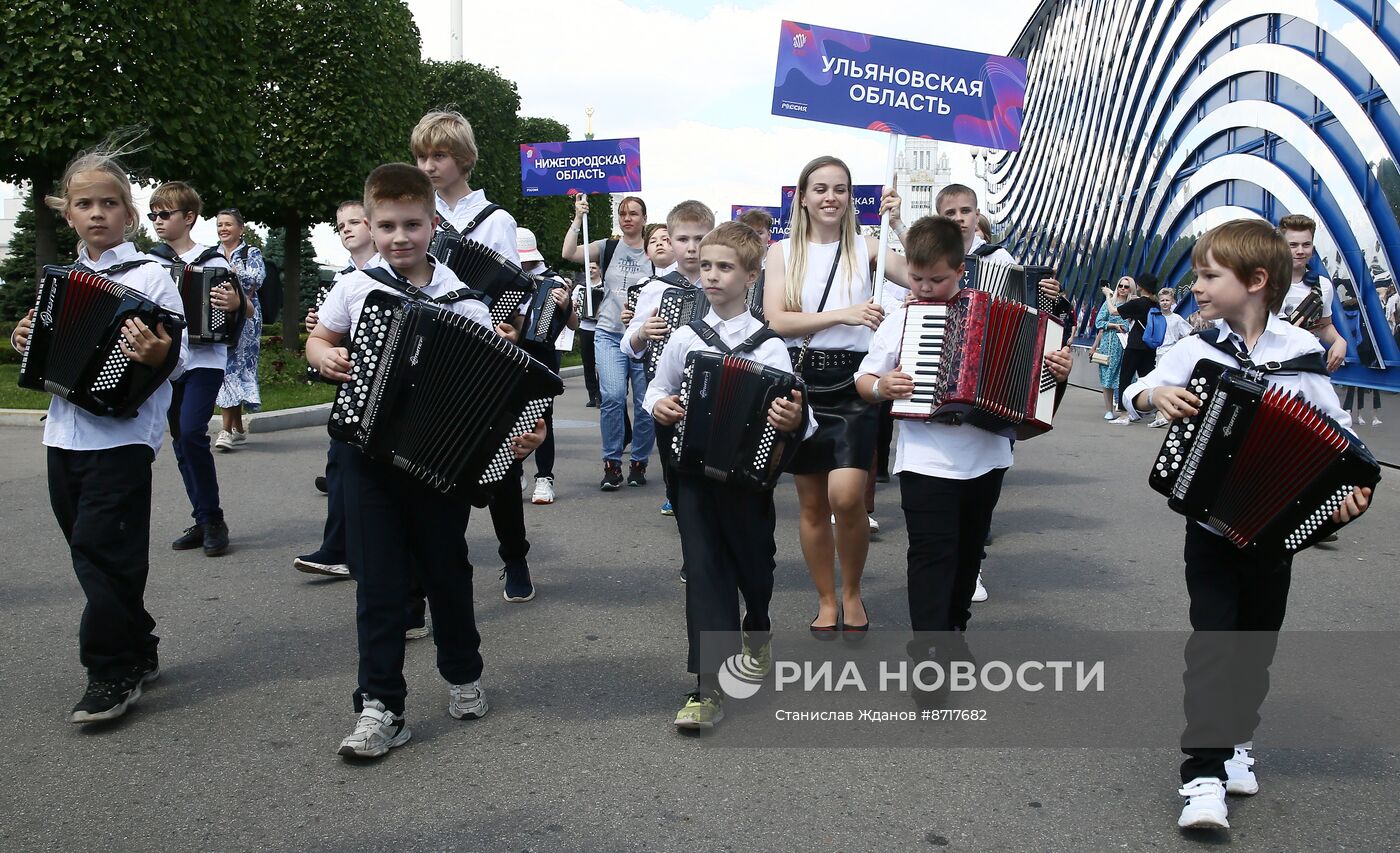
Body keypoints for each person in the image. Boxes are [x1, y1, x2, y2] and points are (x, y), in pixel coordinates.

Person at [1121, 218, 1371, 831]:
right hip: (1208, 527)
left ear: (1257, 281)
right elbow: (1136, 390)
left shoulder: (1302, 357)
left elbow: (1344, 441)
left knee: (1255, 645)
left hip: (1273, 536)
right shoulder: (1194, 348)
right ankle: (1201, 775)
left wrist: (1352, 492)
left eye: (1210, 275)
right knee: (1213, 641)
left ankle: (1237, 741)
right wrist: (1156, 399)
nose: (1197, 286)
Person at [306, 163, 544, 759]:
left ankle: (463, 673)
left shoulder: (465, 302)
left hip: (438, 469)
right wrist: (322, 357)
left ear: (433, 224)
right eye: (386, 226)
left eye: (412, 224)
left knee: (446, 572)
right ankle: (379, 705)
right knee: (379, 585)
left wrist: (522, 432)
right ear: (370, 225)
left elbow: (494, 389)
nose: (399, 237)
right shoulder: (357, 286)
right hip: (366, 459)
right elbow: (320, 339)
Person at [11, 144, 187, 724]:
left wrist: (157, 352)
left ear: (129, 214)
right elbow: (46, 354)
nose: (97, 213)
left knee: (101, 552)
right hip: (63, 436)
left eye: (109, 203)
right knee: (89, 550)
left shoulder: (154, 277)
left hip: (123, 438)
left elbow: (174, 355)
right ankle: (138, 641)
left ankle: (111, 671)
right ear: (69, 215)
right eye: (85, 204)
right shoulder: (64, 279)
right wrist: (26, 339)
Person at [855, 216, 1071, 689]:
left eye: (938, 279)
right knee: (931, 554)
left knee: (969, 554)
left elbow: (1039, 388)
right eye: (917, 279)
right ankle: (927, 653)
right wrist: (882, 387)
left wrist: (1056, 368)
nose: (926, 288)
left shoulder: (1006, 312)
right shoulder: (901, 321)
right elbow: (865, 380)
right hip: (924, 458)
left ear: (960, 271)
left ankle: (954, 631)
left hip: (987, 455)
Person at [644, 222, 812, 729]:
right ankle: (706, 687)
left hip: (746, 480)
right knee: (704, 571)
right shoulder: (684, 337)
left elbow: (803, 416)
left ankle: (756, 624)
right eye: (707, 266)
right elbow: (654, 390)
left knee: (754, 568)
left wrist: (792, 419)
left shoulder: (769, 345)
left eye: (725, 267)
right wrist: (664, 407)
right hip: (692, 476)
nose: (712, 275)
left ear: (751, 276)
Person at [762, 155, 911, 634]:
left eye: (840, 189)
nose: (830, 197)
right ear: (802, 197)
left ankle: (853, 590)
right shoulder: (782, 252)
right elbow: (778, 322)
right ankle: (828, 599)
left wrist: (898, 224)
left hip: (853, 383)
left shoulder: (868, 246)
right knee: (810, 504)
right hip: (802, 382)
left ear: (850, 198)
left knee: (846, 497)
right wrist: (844, 315)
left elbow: (921, 274)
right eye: (821, 188)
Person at [412, 109, 537, 604]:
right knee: (434, 469)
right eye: (421, 155)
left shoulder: (496, 219)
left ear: (463, 159)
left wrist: (508, 322)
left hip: (483, 351)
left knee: (499, 465)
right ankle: (435, 574)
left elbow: (512, 287)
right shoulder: (417, 216)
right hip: (429, 355)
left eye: (438, 155)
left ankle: (515, 556)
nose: (428, 165)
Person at [931, 183, 1068, 603]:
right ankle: (945, 564)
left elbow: (1033, 318)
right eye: (950, 212)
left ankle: (972, 562)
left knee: (986, 475)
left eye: (966, 211)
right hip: (943, 365)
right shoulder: (931, 256)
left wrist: (1051, 297)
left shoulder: (1002, 260)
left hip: (993, 372)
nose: (958, 218)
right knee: (941, 475)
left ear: (977, 215)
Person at [149, 181, 240, 558]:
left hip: (205, 360)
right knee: (180, 441)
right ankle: (204, 518)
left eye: (164, 215)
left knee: (191, 432)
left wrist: (235, 304)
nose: (156, 221)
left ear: (188, 218)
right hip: (170, 363)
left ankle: (214, 519)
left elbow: (241, 313)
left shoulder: (214, 261)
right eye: (152, 215)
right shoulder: (151, 263)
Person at [295, 200, 375, 579]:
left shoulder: (390, 271)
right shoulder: (343, 279)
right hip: (353, 385)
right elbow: (323, 338)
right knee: (340, 459)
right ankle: (338, 548)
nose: (346, 229)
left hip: (383, 387)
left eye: (354, 221)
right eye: (340, 223)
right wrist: (322, 340)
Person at [625, 200, 714, 529]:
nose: (692, 248)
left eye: (700, 238)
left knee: (708, 476)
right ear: (671, 241)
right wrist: (642, 334)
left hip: (712, 396)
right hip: (668, 398)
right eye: (683, 239)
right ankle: (686, 525)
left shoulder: (724, 284)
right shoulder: (655, 289)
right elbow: (628, 344)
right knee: (674, 472)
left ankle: (703, 547)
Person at [562, 194, 653, 489]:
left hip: (643, 338)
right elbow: (568, 253)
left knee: (644, 404)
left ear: (644, 218)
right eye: (623, 214)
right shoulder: (607, 246)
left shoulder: (653, 250)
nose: (627, 218)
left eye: (634, 214)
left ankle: (639, 460)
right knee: (613, 397)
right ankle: (612, 463)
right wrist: (578, 217)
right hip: (609, 333)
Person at [517, 226, 578, 506]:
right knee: (508, 415)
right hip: (509, 354)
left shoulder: (553, 281)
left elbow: (573, 325)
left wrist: (567, 306)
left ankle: (544, 477)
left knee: (543, 416)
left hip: (541, 355)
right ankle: (514, 471)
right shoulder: (503, 279)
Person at [213, 208, 265, 450]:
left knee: (236, 367)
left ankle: (226, 430)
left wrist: (236, 272)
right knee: (227, 367)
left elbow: (258, 278)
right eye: (220, 224)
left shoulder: (250, 252)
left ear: (240, 229)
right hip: (220, 315)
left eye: (228, 224)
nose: (223, 228)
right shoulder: (212, 254)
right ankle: (235, 428)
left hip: (247, 316)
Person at [1278, 214, 1347, 371]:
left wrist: (1339, 341)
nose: (1300, 251)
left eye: (1306, 245)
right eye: (1293, 245)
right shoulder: (1262, 283)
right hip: (1269, 366)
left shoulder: (1323, 286)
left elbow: (1322, 325)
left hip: (1306, 366)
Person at [1112, 272, 1161, 423]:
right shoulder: (1155, 304)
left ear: (1142, 286)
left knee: (1125, 377)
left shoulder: (1138, 303)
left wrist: (1108, 295)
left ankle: (1124, 414)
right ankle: (1159, 412)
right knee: (1148, 379)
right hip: (1150, 347)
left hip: (1135, 345)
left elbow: (1114, 311)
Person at [1147, 287, 1194, 428]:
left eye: (1167, 300)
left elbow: (1188, 333)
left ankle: (1161, 414)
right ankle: (1161, 413)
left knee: (1167, 383)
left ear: (1172, 301)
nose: (1165, 303)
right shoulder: (1155, 317)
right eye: (1162, 300)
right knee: (1159, 383)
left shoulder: (1176, 319)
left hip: (1171, 352)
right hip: (1158, 353)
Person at [1093, 277, 1133, 420]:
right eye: (1120, 285)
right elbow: (1099, 322)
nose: (1122, 288)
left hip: (1124, 344)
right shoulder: (1109, 303)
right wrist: (1113, 326)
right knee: (1107, 377)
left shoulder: (1130, 304)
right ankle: (1108, 409)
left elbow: (1127, 326)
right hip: (1108, 343)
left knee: (1125, 376)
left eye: (1126, 287)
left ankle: (1125, 408)